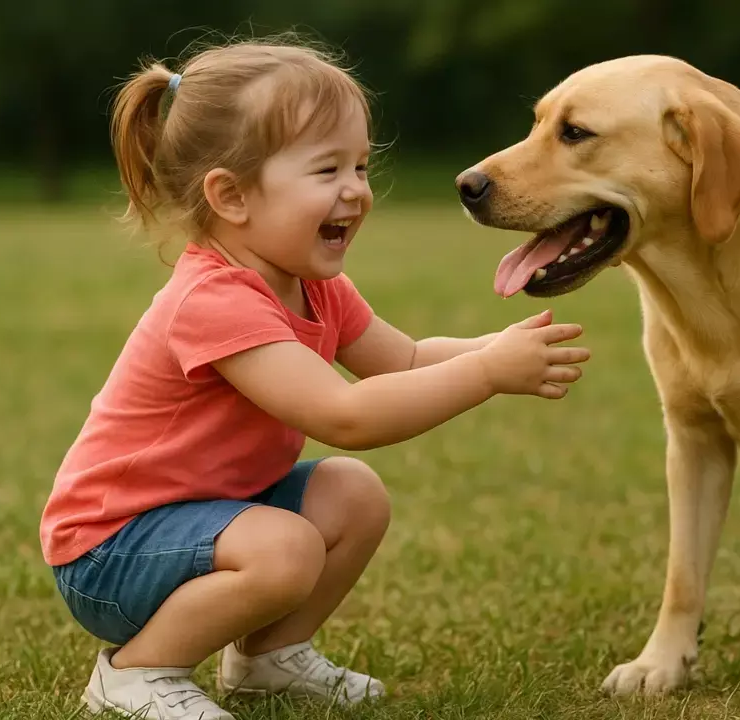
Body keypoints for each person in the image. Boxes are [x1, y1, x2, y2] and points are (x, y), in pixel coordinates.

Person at [38, 35, 590, 720]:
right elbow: (345, 416)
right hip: (110, 552)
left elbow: (408, 361)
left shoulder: (314, 286)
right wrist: (484, 373)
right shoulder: (214, 301)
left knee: (352, 496)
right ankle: (132, 674)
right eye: (327, 170)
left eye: (360, 165)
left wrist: (495, 349)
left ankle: (266, 659)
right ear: (231, 196)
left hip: (206, 520)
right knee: (288, 545)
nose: (356, 191)